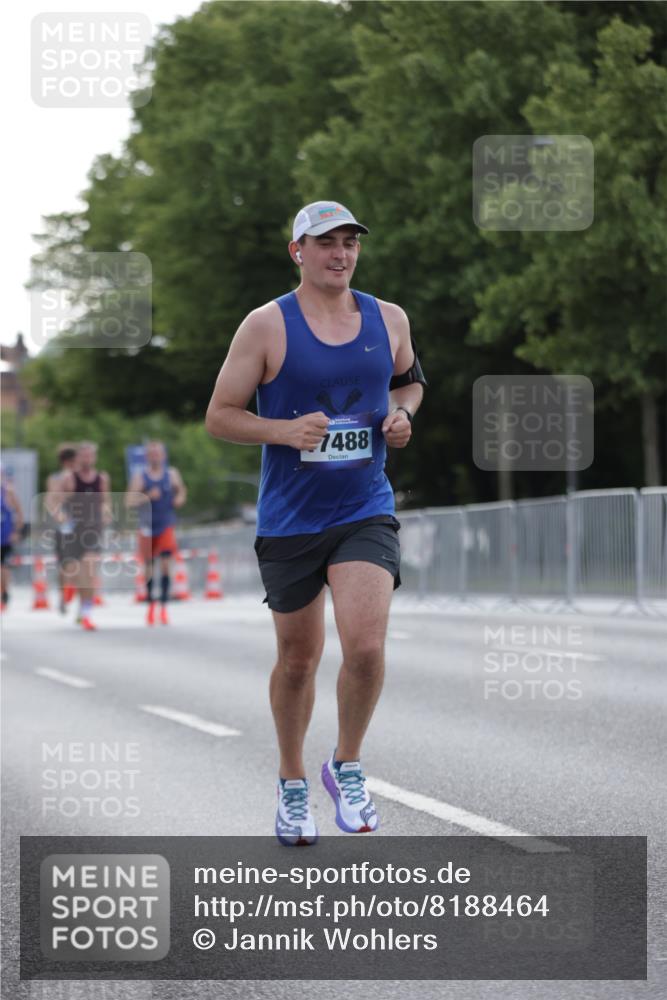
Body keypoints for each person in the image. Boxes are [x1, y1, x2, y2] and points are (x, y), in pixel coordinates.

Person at [205, 201, 426, 845]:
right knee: (298, 660)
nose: (341, 253)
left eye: (350, 242)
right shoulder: (266, 326)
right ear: (297, 250)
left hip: (365, 506)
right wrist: (280, 429)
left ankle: (347, 765)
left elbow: (409, 383)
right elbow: (220, 415)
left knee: (365, 646)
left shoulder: (388, 319)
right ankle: (293, 782)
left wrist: (402, 415)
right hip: (290, 516)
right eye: (325, 242)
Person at [126, 441, 187, 625]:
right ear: (146, 457)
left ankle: (164, 608)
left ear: (164, 455)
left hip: (166, 524)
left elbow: (182, 491)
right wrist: (145, 497)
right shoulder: (140, 477)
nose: (155, 456)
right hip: (146, 526)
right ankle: (151, 605)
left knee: (167, 564)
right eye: (151, 453)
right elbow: (128, 501)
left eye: (158, 453)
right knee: (149, 567)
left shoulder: (171, 474)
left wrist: (179, 499)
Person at [57, 442, 111, 631]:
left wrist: (106, 515)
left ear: (94, 458)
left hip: (93, 531)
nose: (87, 459)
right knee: (77, 575)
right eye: (84, 456)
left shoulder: (101, 479)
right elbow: (57, 504)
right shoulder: (69, 479)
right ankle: (80, 603)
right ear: (78, 458)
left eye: (90, 456)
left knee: (89, 571)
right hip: (73, 532)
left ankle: (86, 612)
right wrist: (63, 518)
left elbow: (105, 502)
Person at [46, 443, 78, 613]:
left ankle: (71, 588)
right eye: (72, 461)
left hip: (80, 525)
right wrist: (59, 516)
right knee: (64, 563)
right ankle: (63, 595)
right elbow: (52, 500)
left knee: (77, 560)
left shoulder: (80, 476)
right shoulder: (55, 478)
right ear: (65, 462)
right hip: (63, 525)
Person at [1, 475, 24, 610]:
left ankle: (4, 591)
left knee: (3, 566)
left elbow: (19, 512)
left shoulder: (7, 491)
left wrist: (16, 532)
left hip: (4, 537)